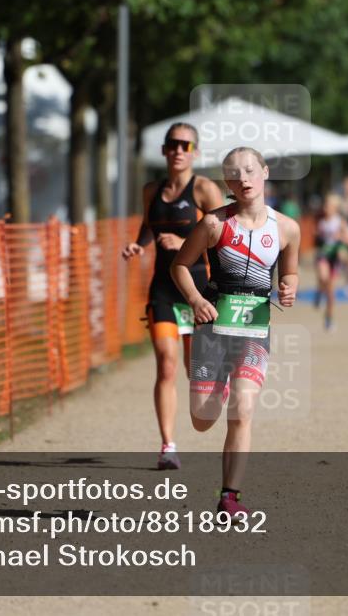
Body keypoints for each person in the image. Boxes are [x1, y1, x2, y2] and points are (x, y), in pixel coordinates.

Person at [170, 146, 300, 517]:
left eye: (250, 170)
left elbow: (290, 272)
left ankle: (230, 497)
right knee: (202, 419)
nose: (243, 179)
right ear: (227, 183)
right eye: (234, 174)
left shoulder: (287, 228)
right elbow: (180, 266)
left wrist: (289, 287)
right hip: (213, 328)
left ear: (265, 172)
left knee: (243, 410)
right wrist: (195, 300)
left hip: (254, 331)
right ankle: (218, 386)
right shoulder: (214, 224)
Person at [121, 123, 224, 470]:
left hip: (197, 291)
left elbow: (224, 237)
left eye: (185, 145)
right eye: (173, 144)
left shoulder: (205, 190)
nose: (179, 150)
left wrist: (184, 244)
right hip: (163, 290)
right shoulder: (151, 190)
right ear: (164, 150)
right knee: (166, 364)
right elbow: (149, 227)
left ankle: (216, 382)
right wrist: (139, 245)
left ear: (195, 152)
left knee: (196, 371)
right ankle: (168, 446)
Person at [314, 194, 348, 331]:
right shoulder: (321, 222)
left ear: (335, 208)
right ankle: (319, 292)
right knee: (323, 277)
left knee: (331, 293)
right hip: (323, 255)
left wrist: (341, 237)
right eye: (325, 205)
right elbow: (318, 239)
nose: (325, 208)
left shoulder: (340, 222)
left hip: (334, 258)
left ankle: (328, 319)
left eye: (328, 206)